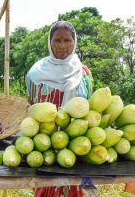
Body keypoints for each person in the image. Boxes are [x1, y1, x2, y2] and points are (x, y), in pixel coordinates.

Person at [26, 21, 93, 197]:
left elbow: (89, 107)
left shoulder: (84, 74)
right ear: (50, 42)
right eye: (57, 40)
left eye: (67, 40)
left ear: (74, 42)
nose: (62, 46)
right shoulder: (35, 74)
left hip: (76, 148)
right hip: (43, 148)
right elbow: (30, 107)